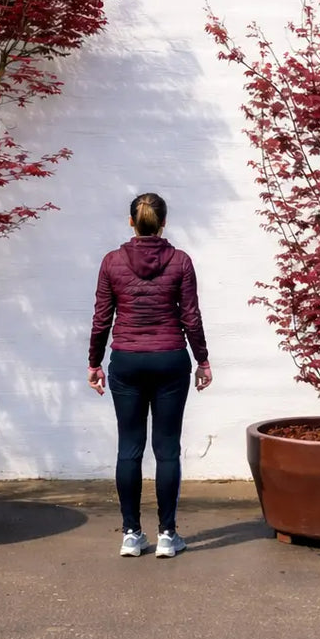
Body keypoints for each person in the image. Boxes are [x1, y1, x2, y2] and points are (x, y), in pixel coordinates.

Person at [88, 192, 212, 559]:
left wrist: (94, 362)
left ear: (131, 222)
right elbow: (191, 316)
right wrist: (203, 360)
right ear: (164, 223)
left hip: (127, 361)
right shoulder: (180, 261)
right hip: (170, 360)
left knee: (129, 447)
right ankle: (167, 535)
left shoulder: (111, 262)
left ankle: (131, 534)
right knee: (167, 448)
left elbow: (101, 319)